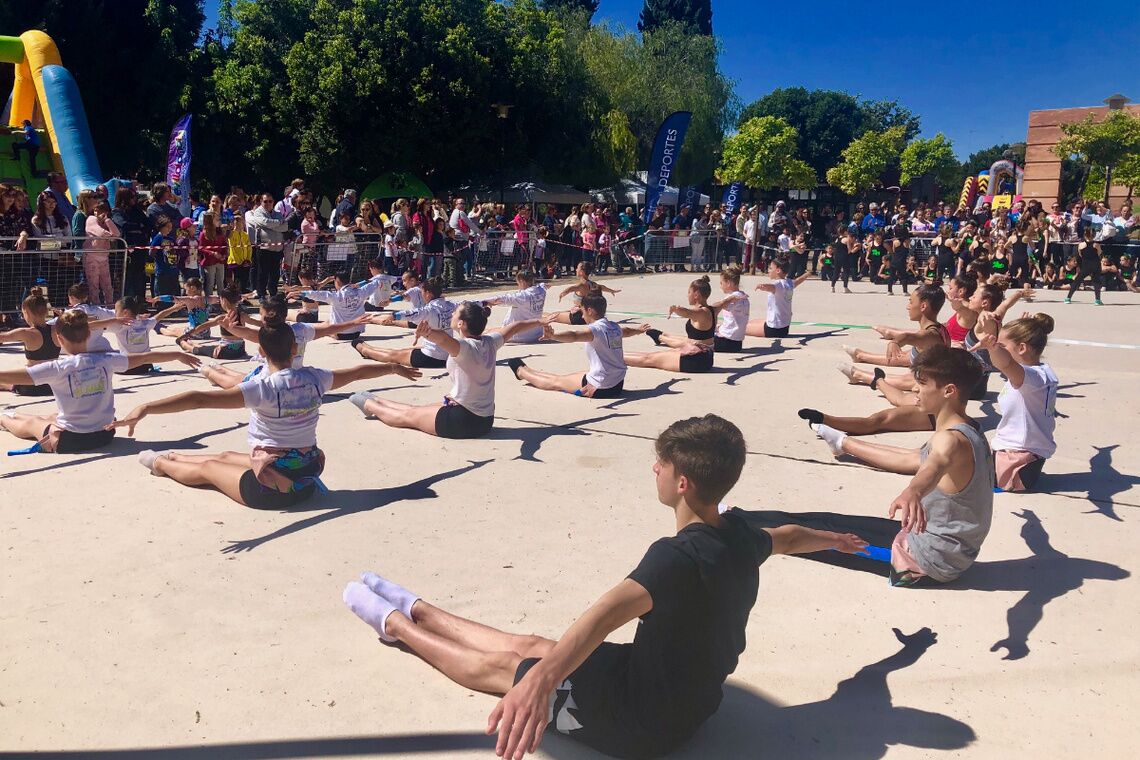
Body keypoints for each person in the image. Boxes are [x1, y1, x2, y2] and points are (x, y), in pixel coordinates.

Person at [341, 414, 866, 760]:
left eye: (660, 464)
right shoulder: (742, 534)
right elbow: (790, 537)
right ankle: (419, 609)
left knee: (507, 670)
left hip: (644, 724)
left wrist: (540, 683)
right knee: (534, 647)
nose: (654, 469)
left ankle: (393, 626)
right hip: (675, 690)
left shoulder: (675, 559)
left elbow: (601, 617)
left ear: (681, 482)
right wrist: (833, 540)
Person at [108, 323, 419, 508]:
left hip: (273, 490)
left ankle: (160, 463)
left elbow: (198, 399)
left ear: (262, 353)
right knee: (228, 454)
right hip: (307, 472)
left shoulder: (261, 388)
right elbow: (357, 372)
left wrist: (147, 407)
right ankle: (174, 455)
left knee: (209, 467)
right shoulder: (315, 377)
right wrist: (392, 365)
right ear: (295, 347)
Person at [810, 346, 993, 586]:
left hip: (925, 560)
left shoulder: (950, 440)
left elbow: (934, 465)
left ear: (949, 391)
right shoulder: (970, 429)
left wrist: (913, 491)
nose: (916, 389)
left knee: (803, 535)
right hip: (942, 546)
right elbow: (917, 460)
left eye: (923, 384)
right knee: (823, 520)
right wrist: (845, 442)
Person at [0, 311, 198, 454]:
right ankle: (13, 415)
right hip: (105, 433)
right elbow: (145, 357)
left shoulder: (57, 368)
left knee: (34, 423)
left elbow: (12, 376)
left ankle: (3, 419)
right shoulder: (106, 359)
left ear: (59, 339)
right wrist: (177, 355)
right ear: (88, 335)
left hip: (71, 441)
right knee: (51, 416)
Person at [352, 303, 540, 439]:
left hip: (463, 422)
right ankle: (377, 400)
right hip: (484, 420)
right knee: (416, 410)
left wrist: (427, 333)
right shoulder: (490, 342)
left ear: (461, 324)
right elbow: (515, 327)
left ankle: (370, 405)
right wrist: (540, 320)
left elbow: (442, 340)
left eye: (455, 314)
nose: (452, 315)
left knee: (408, 417)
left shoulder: (464, 347)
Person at [973, 312, 1058, 492]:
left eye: (1003, 345)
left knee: (944, 460)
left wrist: (992, 348)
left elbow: (1005, 364)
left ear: (1022, 348)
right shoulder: (1040, 373)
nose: (998, 348)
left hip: (1016, 462)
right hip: (1022, 455)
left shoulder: (1031, 379)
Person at [195, 294, 354, 389]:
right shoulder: (299, 329)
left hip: (275, 378)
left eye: (261, 315)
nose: (261, 318)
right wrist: (353, 322)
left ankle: (212, 370)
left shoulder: (271, 333)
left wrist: (231, 328)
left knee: (237, 380)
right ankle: (210, 370)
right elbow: (328, 329)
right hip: (272, 375)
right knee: (236, 381)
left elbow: (249, 333)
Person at [507, 293, 644, 399]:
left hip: (601, 387)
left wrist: (553, 336)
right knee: (569, 377)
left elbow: (574, 335)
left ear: (589, 310)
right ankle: (527, 370)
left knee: (557, 381)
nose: (582, 316)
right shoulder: (614, 327)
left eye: (582, 311)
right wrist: (638, 330)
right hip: (617, 384)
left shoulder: (596, 330)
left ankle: (522, 372)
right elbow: (626, 331)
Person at [356, 277, 456, 368]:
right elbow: (468, 303)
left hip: (433, 357)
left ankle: (366, 351)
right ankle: (369, 348)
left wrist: (394, 315)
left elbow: (411, 313)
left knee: (393, 356)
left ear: (428, 293)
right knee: (399, 352)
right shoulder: (451, 305)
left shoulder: (429, 310)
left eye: (423, 292)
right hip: (448, 352)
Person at [631, 276, 716, 374]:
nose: (687, 295)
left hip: (696, 361)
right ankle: (660, 336)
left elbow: (687, 312)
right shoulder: (712, 309)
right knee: (651, 355)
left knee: (648, 359)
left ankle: (612, 358)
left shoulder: (700, 312)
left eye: (689, 292)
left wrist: (676, 309)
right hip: (704, 358)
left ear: (696, 294)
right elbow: (722, 303)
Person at [288, 269, 380, 342]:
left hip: (339, 334)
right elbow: (375, 283)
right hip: (357, 333)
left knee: (319, 327)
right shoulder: (361, 292)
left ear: (337, 281)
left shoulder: (336, 296)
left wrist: (300, 293)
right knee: (327, 321)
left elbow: (318, 295)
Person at [0, 292, 62, 396]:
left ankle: (10, 386)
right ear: (46, 311)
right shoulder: (58, 328)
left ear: (26, 312)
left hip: (30, 386)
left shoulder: (25, 333)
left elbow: (2, 337)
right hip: (53, 385)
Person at [745, 258, 810, 338]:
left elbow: (772, 287)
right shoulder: (789, 283)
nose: (768, 270)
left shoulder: (778, 284)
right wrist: (807, 274)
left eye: (770, 268)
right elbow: (798, 280)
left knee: (741, 327)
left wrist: (763, 286)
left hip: (773, 329)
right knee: (752, 321)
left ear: (778, 271)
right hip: (784, 328)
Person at [546, 262, 620, 325]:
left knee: (550, 316)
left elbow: (571, 288)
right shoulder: (593, 284)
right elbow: (602, 287)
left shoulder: (581, 285)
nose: (576, 269)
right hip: (589, 316)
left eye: (577, 268)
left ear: (581, 272)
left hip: (578, 317)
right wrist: (611, 291)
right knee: (559, 313)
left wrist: (562, 293)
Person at [483, 271, 547, 343]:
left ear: (522, 281)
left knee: (487, 332)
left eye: (518, 283)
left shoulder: (522, 296)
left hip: (519, 335)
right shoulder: (541, 291)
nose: (518, 285)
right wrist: (543, 284)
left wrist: (483, 302)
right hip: (537, 333)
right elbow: (542, 286)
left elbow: (503, 298)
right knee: (493, 330)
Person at [711, 265, 749, 353]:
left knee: (696, 339)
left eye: (721, 283)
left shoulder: (733, 298)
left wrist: (727, 300)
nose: (720, 286)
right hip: (737, 342)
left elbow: (713, 308)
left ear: (728, 283)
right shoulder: (742, 295)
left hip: (727, 341)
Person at [1065, 227, 1103, 305]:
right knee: (1096, 282)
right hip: (1095, 264)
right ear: (1094, 235)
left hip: (1086, 265)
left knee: (1077, 281)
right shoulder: (1096, 245)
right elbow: (1099, 254)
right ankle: (1097, 300)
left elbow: (1080, 255)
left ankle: (1068, 298)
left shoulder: (1081, 245)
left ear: (1085, 235)